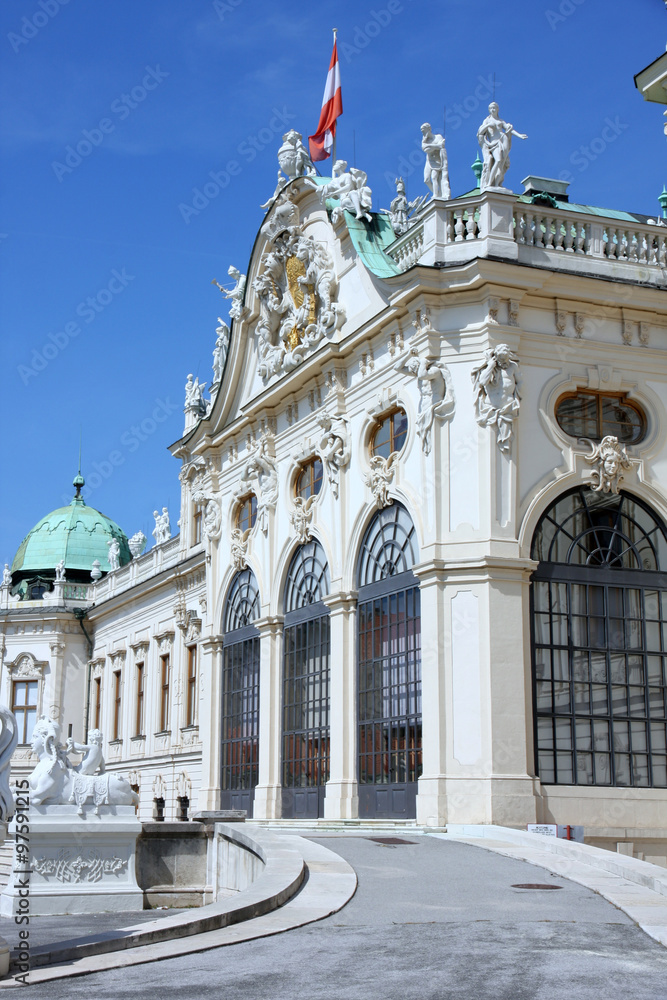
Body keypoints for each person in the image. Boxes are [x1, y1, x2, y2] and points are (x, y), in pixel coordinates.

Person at [477, 102, 527, 190]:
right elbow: (480, 132)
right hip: (494, 143)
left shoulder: (500, 121)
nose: (493, 110)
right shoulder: (487, 120)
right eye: (491, 108)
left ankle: (497, 184)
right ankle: (489, 183)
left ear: (497, 109)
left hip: (504, 140)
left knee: (502, 164)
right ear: (489, 110)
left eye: (494, 108)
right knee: (498, 160)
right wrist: (488, 125)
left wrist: (519, 135)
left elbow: (509, 129)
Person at [420, 123, 450, 200]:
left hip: (437, 161)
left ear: (429, 129)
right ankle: (438, 193)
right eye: (422, 131)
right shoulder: (424, 140)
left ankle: (436, 195)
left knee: (434, 177)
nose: (423, 133)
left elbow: (442, 147)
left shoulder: (438, 137)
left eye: (424, 130)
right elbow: (425, 149)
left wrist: (431, 147)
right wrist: (437, 146)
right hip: (428, 161)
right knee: (426, 180)